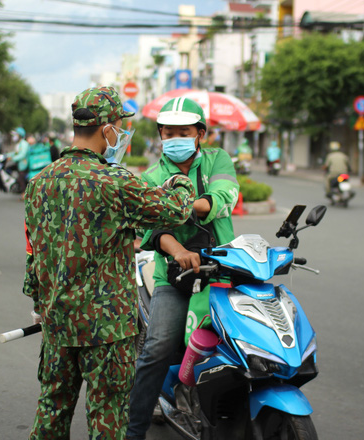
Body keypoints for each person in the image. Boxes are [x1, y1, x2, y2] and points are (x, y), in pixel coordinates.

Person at [23, 86, 197, 440]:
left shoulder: (38, 183)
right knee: (107, 419)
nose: (121, 133)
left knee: (52, 411)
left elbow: (35, 255)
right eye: (119, 125)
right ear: (107, 129)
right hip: (106, 329)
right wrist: (180, 179)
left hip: (57, 321)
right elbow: (175, 210)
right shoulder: (113, 181)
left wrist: (39, 303)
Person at [126, 97, 239, 440]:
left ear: (200, 134)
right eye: (169, 132)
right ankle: (133, 430)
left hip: (221, 268)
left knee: (240, 344)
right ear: (160, 134)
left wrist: (188, 205)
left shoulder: (218, 159)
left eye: (184, 132)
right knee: (158, 347)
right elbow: (149, 230)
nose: (175, 138)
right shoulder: (151, 177)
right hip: (171, 276)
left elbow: (226, 195)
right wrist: (176, 249)